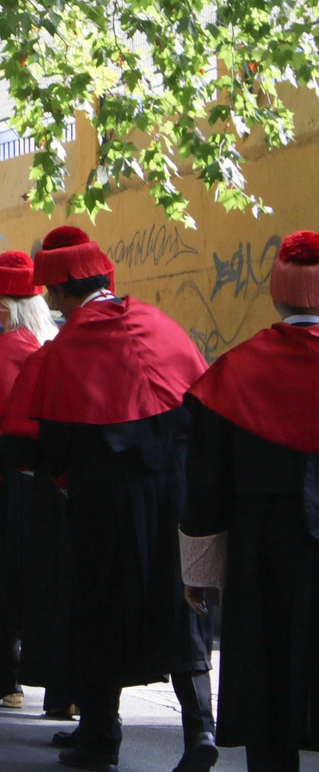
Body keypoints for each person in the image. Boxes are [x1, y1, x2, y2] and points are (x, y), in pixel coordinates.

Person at [5, 226, 214, 772]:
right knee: (184, 606)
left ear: (55, 293)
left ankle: (101, 736)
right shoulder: (161, 325)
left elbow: (44, 446)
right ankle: (200, 732)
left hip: (107, 506)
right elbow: (201, 409)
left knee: (99, 612)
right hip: (176, 497)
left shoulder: (67, 349)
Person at [179, 231, 319, 772]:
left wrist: (198, 570)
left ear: (278, 293)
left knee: (267, 688)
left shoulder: (236, 371)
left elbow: (205, 484)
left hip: (261, 552)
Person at [0, 250, 61, 713]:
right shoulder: (51, 343)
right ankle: (62, 692)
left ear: (7, 302)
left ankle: (4, 681)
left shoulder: (6, 349)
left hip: (10, 483)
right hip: (52, 480)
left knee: (3, 582)